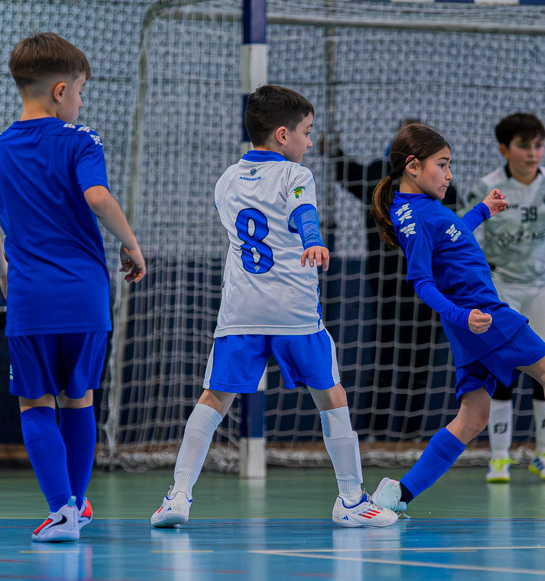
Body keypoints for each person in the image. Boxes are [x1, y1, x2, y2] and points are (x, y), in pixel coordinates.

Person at [150, 85, 396, 529]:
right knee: (332, 396)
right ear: (283, 135)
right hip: (292, 310)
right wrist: (314, 241)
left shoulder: (226, 179)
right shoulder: (296, 174)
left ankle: (178, 496)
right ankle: (351, 499)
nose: (310, 142)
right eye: (307, 132)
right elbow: (304, 215)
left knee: (213, 399)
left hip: (241, 311)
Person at [367, 123, 545, 514]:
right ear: (413, 166)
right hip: (483, 313)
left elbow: (453, 235)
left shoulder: (419, 208)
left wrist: (483, 210)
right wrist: (462, 315)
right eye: (442, 165)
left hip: (471, 319)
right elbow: (422, 282)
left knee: (473, 416)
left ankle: (399, 494)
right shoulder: (416, 216)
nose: (449, 174)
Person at [0, 32, 146, 543]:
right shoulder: (81, 141)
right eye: (81, 92)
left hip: (30, 298)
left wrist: (4, 272)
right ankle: (77, 503)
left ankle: (61, 509)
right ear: (60, 91)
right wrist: (132, 244)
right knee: (79, 399)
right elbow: (97, 197)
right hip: (86, 296)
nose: (82, 103)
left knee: (35, 404)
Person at [461, 113, 545, 485]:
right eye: (524, 146)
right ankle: (499, 457)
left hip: (540, 286)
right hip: (500, 286)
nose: (533, 153)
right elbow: (465, 236)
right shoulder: (488, 187)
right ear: (505, 150)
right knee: (503, 366)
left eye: (538, 145)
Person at [320, 120, 458, 441]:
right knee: (385, 356)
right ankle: (376, 430)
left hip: (428, 287)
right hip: (386, 287)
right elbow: (350, 175)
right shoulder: (378, 178)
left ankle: (410, 432)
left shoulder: (441, 186)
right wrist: (335, 154)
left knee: (420, 358)